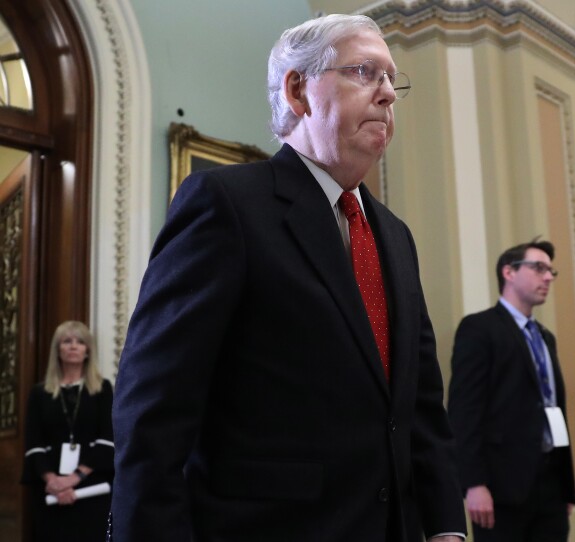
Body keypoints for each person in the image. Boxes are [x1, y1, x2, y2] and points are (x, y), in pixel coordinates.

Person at [109, 13, 465, 542]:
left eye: (393, 79)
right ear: (297, 90)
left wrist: (444, 528)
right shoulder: (227, 205)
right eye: (365, 72)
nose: (388, 94)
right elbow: (154, 406)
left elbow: (418, 407)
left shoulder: (394, 236)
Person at [448, 240, 575, 542]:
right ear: (509, 272)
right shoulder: (479, 329)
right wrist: (474, 484)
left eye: (551, 271)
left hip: (551, 487)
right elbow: (464, 411)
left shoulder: (545, 337)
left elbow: (554, 408)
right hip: (501, 488)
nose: (547, 277)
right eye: (539, 268)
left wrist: (566, 487)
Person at [21, 320, 114, 542]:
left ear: (87, 351)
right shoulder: (39, 393)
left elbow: (108, 439)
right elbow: (34, 443)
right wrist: (53, 480)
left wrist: (75, 478)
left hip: (91, 487)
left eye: (80, 342)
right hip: (50, 489)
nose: (73, 346)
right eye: (67, 341)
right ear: (57, 350)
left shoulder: (102, 389)